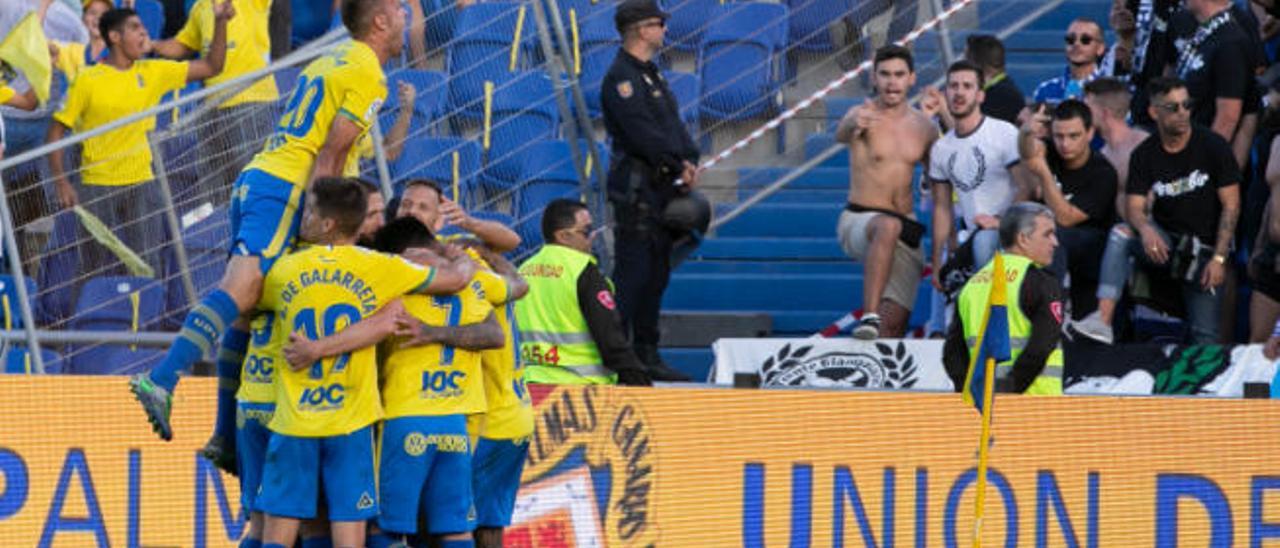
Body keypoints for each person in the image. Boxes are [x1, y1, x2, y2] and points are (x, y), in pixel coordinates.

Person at [130, 0, 403, 451]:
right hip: (286, 188)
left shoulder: (333, 58)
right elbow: (331, 152)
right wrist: (323, 220)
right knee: (242, 286)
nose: (405, 17)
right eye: (398, 11)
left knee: (250, 306)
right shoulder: (368, 73)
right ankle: (162, 378)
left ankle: (223, 433)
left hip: (263, 176)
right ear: (379, 21)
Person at [254, 177, 474, 547]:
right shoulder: (382, 268)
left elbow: (245, 310)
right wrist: (460, 254)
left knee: (277, 534)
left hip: (294, 420)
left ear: (327, 224)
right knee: (350, 529)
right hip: (352, 421)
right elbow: (456, 280)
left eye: (309, 211)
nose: (303, 218)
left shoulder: (283, 271)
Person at [46, 5, 232, 277]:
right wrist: (61, 182)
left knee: (147, 265)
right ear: (114, 37)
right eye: (135, 28)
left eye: (143, 28)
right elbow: (55, 132)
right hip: (97, 187)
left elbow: (212, 66)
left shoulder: (153, 71)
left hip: (142, 184)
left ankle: (146, 319)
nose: (144, 33)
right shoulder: (87, 79)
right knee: (94, 268)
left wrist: (220, 22)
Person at [1072, 78, 1241, 344]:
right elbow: (1134, 206)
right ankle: (1102, 321)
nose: (1182, 113)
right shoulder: (1144, 154)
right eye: (1173, 107)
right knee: (1121, 233)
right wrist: (1146, 228)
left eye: (1187, 105)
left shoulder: (1213, 146)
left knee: (1205, 337)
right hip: (1165, 242)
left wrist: (1219, 259)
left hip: (1204, 251)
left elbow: (1231, 205)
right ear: (1154, 112)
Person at [601, 0, 698, 381]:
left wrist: (689, 159)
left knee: (656, 275)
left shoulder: (650, 74)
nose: (664, 31)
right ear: (642, 29)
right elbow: (642, 133)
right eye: (659, 24)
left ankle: (647, 352)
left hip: (662, 188)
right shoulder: (620, 78)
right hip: (638, 191)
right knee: (633, 276)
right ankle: (621, 360)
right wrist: (677, 164)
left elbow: (672, 125)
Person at [834, 45, 939, 339]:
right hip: (861, 219)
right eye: (885, 75)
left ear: (912, 79)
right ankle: (868, 316)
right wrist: (852, 124)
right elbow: (841, 133)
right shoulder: (862, 115)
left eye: (899, 75)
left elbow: (939, 178)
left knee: (892, 326)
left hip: (905, 225)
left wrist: (943, 119)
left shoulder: (924, 127)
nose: (892, 82)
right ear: (874, 78)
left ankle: (876, 376)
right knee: (887, 225)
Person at [151, 0, 280, 201]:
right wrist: (152, 45)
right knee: (215, 189)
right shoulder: (200, 6)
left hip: (251, 101)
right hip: (211, 108)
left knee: (251, 182)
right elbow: (183, 45)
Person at [516, 199, 652, 386]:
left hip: (530, 384)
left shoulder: (523, 270)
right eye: (586, 231)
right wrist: (639, 381)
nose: (593, 236)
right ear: (563, 236)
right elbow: (609, 337)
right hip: (581, 387)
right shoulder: (582, 270)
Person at [943, 202, 1066, 394]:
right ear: (1023, 239)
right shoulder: (1041, 281)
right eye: (1047, 234)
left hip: (984, 408)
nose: (1055, 242)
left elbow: (952, 353)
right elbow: (1042, 345)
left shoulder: (973, 284)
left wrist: (972, 393)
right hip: (1037, 404)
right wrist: (1008, 390)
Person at [929, 60, 1027, 296]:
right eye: (953, 86)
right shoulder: (941, 148)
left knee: (983, 242)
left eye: (967, 86)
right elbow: (942, 209)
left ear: (980, 95)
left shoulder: (1004, 133)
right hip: (971, 234)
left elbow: (1026, 187)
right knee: (945, 270)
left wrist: (1000, 220)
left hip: (1013, 231)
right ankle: (939, 331)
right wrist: (936, 262)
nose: (959, 92)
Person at [1018, 100, 1119, 318]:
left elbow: (1065, 218)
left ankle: (1047, 315)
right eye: (1059, 136)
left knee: (1053, 237)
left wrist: (1044, 174)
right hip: (1054, 238)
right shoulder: (1052, 151)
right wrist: (1027, 132)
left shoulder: (1103, 172)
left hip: (1092, 247)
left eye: (1074, 136)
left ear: (1090, 133)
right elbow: (1029, 153)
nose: (1065, 144)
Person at [1168, 0, 1263, 169]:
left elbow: (1228, 117)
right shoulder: (1204, 33)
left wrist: (1201, 169)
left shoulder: (1230, 42)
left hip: (1204, 165)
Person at [395, 178, 521, 252]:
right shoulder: (381, 249)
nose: (411, 211)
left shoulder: (453, 247)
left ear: (438, 220)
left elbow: (511, 241)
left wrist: (468, 222)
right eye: (406, 204)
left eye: (423, 207)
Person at [1083, 77, 1149, 199]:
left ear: (1104, 113)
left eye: (1087, 108)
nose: (1083, 114)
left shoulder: (1144, 145)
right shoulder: (1102, 154)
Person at [1032, 18, 1108, 105]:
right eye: (1071, 39)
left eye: (1085, 40)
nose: (1076, 44)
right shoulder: (1045, 90)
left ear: (1100, 48)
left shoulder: (1111, 91)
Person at [964, 34, 1024, 125]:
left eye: (966, 61)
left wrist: (943, 108)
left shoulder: (1003, 95)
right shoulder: (999, 90)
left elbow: (969, 134)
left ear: (976, 64)